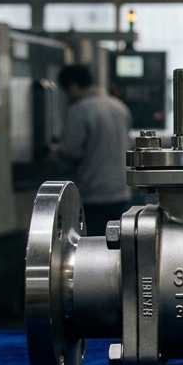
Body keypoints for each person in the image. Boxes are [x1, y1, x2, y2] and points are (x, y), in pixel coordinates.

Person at [55, 64, 133, 236]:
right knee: (118, 243)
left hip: (93, 193)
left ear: (72, 87)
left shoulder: (79, 110)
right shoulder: (119, 106)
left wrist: (56, 149)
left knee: (94, 245)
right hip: (121, 190)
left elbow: (71, 151)